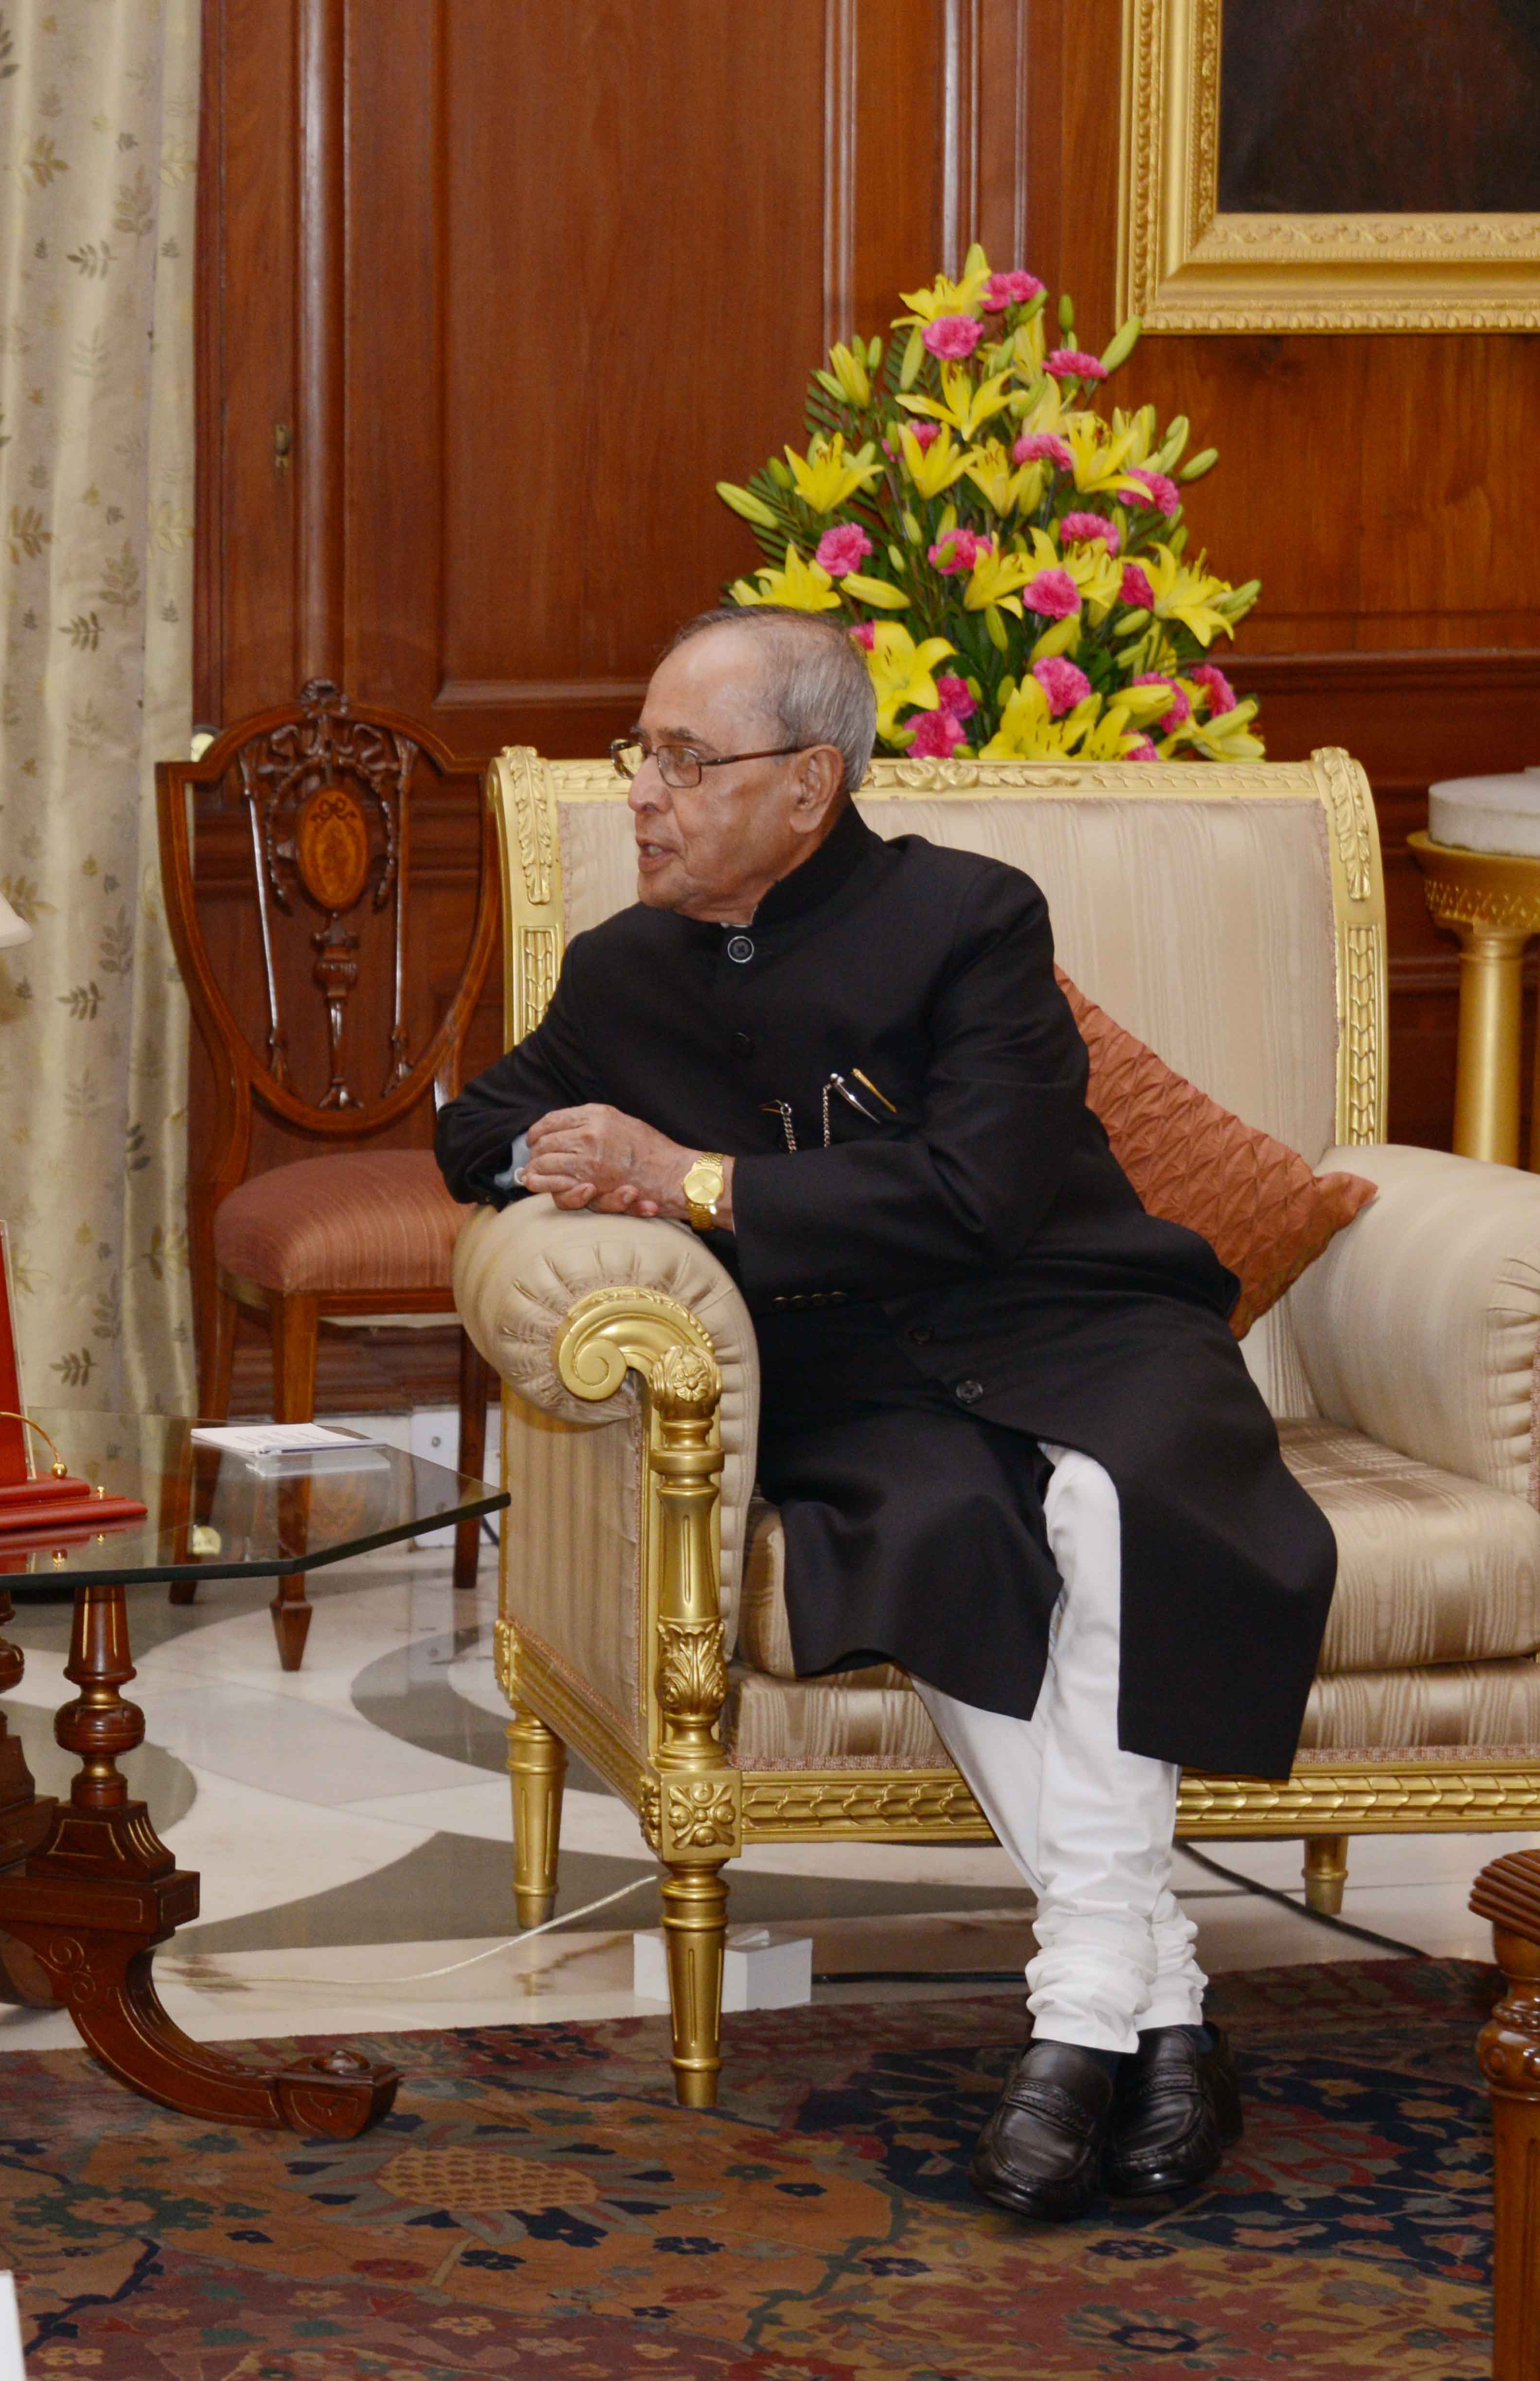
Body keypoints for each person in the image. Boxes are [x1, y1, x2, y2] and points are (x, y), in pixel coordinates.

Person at [435, 604, 1334, 2221]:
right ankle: (1156, 2002)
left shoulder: (970, 919)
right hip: (857, 1376)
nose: (638, 790)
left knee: (1119, 1501)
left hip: (1083, 1313)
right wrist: (549, 1155)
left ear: (810, 783)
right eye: (639, 753)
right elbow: (478, 1132)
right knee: (943, 1538)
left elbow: (983, 1193)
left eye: (683, 760)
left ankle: (1077, 2014)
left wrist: (690, 1176)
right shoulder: (624, 967)